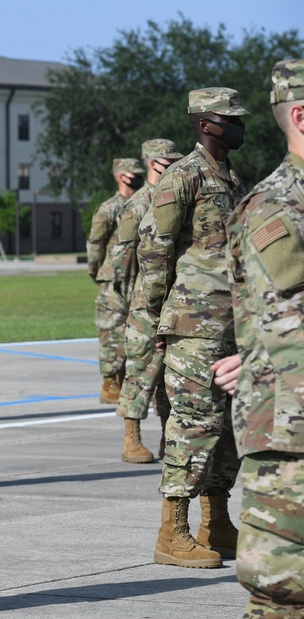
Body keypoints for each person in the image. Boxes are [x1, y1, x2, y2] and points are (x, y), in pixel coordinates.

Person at [139, 87, 249, 568]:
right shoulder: (183, 175)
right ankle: (173, 531)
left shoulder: (229, 175)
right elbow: (154, 248)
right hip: (192, 325)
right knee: (192, 424)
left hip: (231, 323)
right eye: (230, 119)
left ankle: (217, 523)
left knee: (226, 430)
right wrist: (159, 317)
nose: (239, 126)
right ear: (205, 122)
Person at [224, 58, 304, 619]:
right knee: (284, 605)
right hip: (291, 443)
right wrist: (254, 358)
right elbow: (288, 328)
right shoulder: (275, 208)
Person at [114, 139, 184, 463]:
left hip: (173, 300)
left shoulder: (176, 196)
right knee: (141, 372)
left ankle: (166, 440)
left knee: (168, 379)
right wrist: (128, 306)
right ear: (154, 163)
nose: (174, 165)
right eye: (169, 160)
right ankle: (132, 439)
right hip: (143, 303)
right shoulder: (139, 204)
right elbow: (124, 259)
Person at [87, 158, 145, 403]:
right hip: (113, 278)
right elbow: (95, 243)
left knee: (136, 331)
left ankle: (132, 382)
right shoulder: (109, 208)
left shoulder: (142, 203)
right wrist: (98, 271)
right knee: (111, 331)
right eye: (135, 174)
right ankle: (111, 384)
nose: (139, 178)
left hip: (137, 276)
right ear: (122, 176)